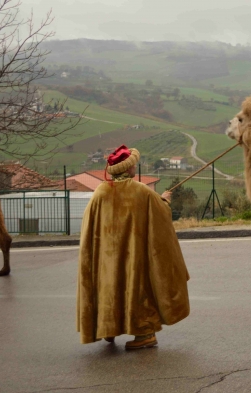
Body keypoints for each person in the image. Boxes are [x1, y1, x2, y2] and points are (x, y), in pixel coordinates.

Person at [76, 145, 190, 350]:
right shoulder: (140, 191)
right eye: (133, 164)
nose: (135, 167)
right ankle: (145, 334)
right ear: (128, 169)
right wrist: (164, 200)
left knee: (109, 286)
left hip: (106, 257)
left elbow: (89, 224)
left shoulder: (101, 192)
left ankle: (108, 327)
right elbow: (160, 212)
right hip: (133, 255)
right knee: (135, 288)